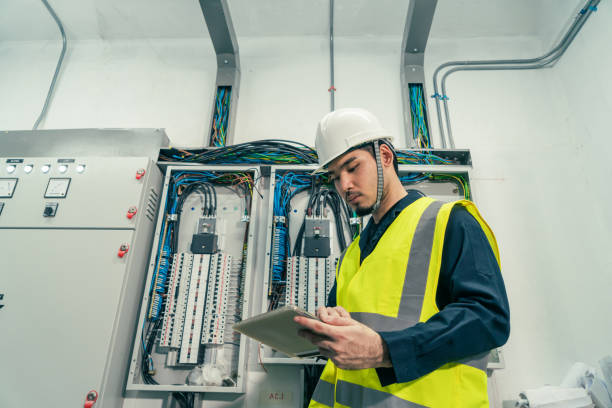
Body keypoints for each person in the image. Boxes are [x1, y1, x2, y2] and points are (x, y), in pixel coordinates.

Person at [294, 108, 510, 407]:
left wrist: (384, 350)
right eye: (334, 177)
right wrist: (331, 323)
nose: (344, 185)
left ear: (384, 156)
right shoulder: (351, 254)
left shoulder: (449, 220)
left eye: (352, 167)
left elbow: (488, 319)